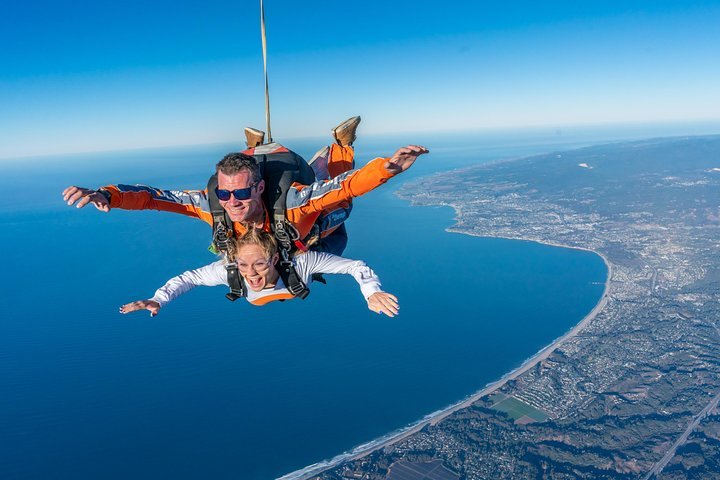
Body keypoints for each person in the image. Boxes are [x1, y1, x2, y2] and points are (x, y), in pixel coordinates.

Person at [62, 117, 429, 256]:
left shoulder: (295, 202)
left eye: (240, 192)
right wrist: (107, 194)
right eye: (224, 193)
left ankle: (340, 143)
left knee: (335, 203)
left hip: (304, 208)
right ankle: (255, 145)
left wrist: (388, 168)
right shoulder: (214, 206)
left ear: (258, 189)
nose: (231, 201)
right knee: (326, 197)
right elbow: (157, 198)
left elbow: (345, 187)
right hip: (280, 205)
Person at [119, 229, 399, 316]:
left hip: (309, 256)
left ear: (275, 258)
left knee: (336, 234)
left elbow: (355, 266)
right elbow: (189, 278)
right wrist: (159, 299)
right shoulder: (230, 271)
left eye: (260, 264)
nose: (250, 274)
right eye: (243, 264)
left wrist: (371, 293)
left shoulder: (301, 262)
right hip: (293, 282)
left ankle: (342, 148)